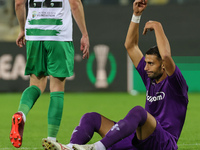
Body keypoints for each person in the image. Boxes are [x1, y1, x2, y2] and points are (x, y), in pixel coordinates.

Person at [42, 0, 188, 150]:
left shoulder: (176, 84)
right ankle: (70, 147)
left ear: (163, 66)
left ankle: (97, 148)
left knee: (138, 111)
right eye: (146, 62)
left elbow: (166, 56)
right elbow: (130, 46)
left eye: (151, 63)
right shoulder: (149, 78)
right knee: (91, 117)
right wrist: (136, 15)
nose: (145, 67)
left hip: (164, 143)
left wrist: (157, 27)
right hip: (141, 141)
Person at [10, 0, 89, 148]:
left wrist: (22, 29)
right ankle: (51, 139)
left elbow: (19, 3)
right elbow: (75, 3)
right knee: (57, 87)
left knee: (36, 83)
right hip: (58, 34)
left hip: (34, 34)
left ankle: (21, 114)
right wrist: (84, 34)